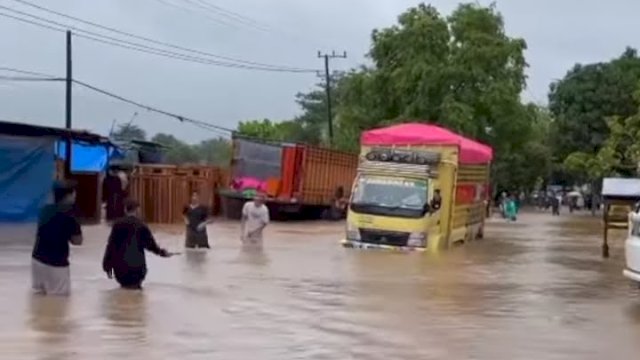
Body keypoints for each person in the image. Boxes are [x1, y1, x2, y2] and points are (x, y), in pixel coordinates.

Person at [102, 199, 176, 290]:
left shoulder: (117, 225)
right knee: (137, 294)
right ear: (137, 210)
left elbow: (111, 246)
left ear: (125, 210)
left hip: (120, 269)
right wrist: (162, 253)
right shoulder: (141, 225)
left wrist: (107, 266)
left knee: (123, 292)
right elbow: (151, 245)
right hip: (137, 268)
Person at [31, 181, 83, 296]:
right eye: (74, 193)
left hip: (37, 260)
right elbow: (77, 241)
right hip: (56, 264)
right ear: (69, 195)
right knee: (59, 302)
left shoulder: (45, 210)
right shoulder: (70, 213)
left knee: (38, 298)